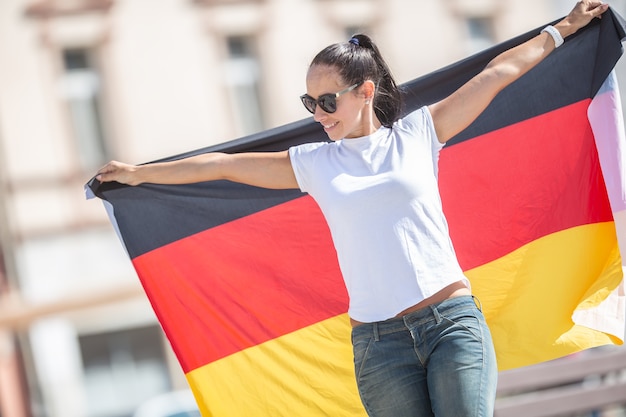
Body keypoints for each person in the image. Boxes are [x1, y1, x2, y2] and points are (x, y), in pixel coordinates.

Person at [95, 1, 608, 416]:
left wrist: (565, 27)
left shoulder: (419, 133)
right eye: (309, 103)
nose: (318, 114)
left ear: (365, 92)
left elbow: (499, 73)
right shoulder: (314, 164)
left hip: (451, 324)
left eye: (327, 101)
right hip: (379, 347)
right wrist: (140, 174)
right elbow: (223, 166)